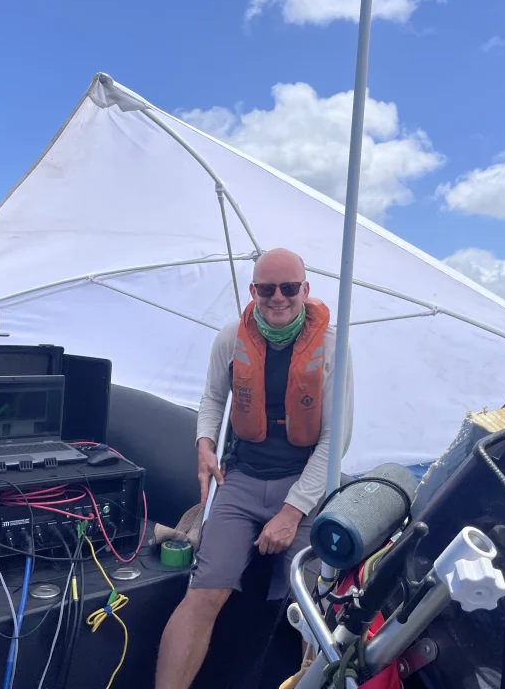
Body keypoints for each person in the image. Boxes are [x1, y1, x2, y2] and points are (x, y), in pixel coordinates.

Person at [155, 247, 354, 689]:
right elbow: (212, 399)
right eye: (267, 288)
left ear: (305, 289)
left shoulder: (331, 346)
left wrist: (292, 512)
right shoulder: (231, 338)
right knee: (203, 593)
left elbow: (335, 438)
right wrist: (204, 445)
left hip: (303, 484)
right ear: (253, 291)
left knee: (308, 609)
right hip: (241, 480)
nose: (277, 297)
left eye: (288, 288)